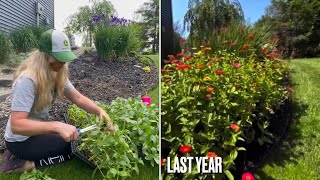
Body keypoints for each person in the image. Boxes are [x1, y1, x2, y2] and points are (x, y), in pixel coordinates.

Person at [0, 29, 114, 173]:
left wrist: (100, 111)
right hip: (20, 140)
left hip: (34, 133)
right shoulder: (27, 80)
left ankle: (20, 154)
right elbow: (17, 125)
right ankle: (25, 165)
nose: (63, 62)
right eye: (59, 58)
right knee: (72, 147)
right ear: (45, 56)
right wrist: (56, 126)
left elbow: (77, 98)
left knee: (73, 137)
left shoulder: (56, 72)